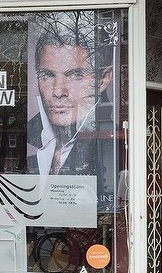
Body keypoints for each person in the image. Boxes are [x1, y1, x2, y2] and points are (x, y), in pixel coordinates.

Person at [27, 27, 114, 179]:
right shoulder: (25, 137)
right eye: (47, 75)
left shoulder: (116, 143)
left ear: (102, 80)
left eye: (75, 75)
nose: (58, 91)